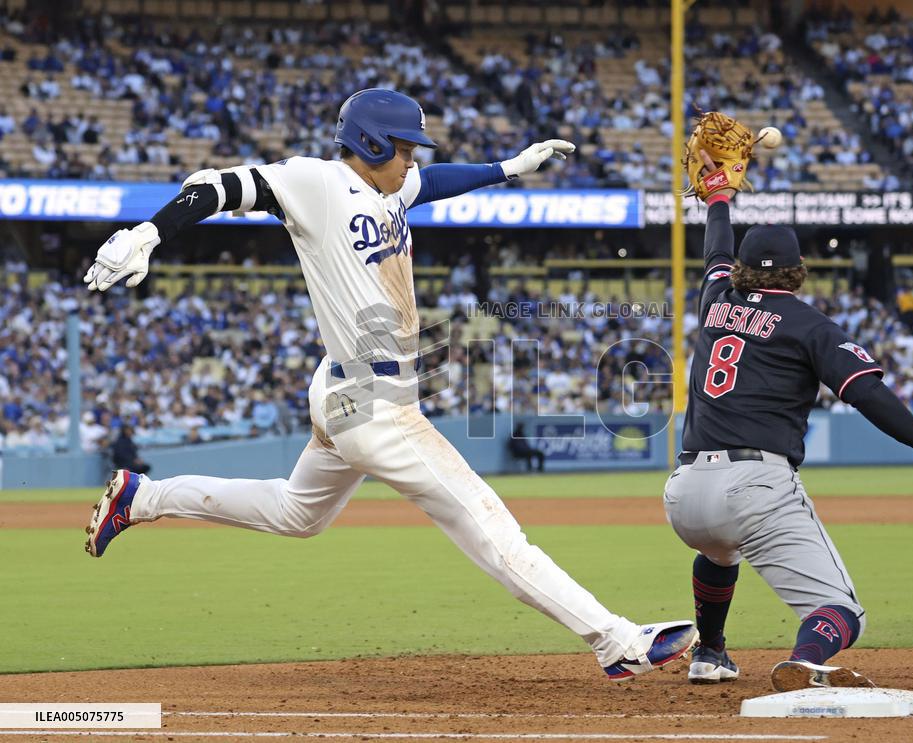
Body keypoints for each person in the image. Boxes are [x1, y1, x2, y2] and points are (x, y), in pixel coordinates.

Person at [81, 88, 696, 681]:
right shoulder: (319, 183)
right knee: (493, 530)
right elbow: (218, 185)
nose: (414, 159)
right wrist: (150, 232)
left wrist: (509, 167)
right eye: (405, 147)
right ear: (371, 144)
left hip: (346, 391)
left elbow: (440, 181)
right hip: (375, 408)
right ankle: (618, 641)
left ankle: (142, 498)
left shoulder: (391, 190)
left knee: (298, 514)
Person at [664, 146, 913, 691]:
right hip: (754, 485)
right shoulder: (810, 325)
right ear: (797, 271)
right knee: (841, 611)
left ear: (739, 270)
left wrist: (717, 200)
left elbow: (715, 253)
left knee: (719, 549)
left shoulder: (715, 299)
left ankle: (709, 653)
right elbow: (867, 394)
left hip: (684, 492)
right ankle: (806, 661)